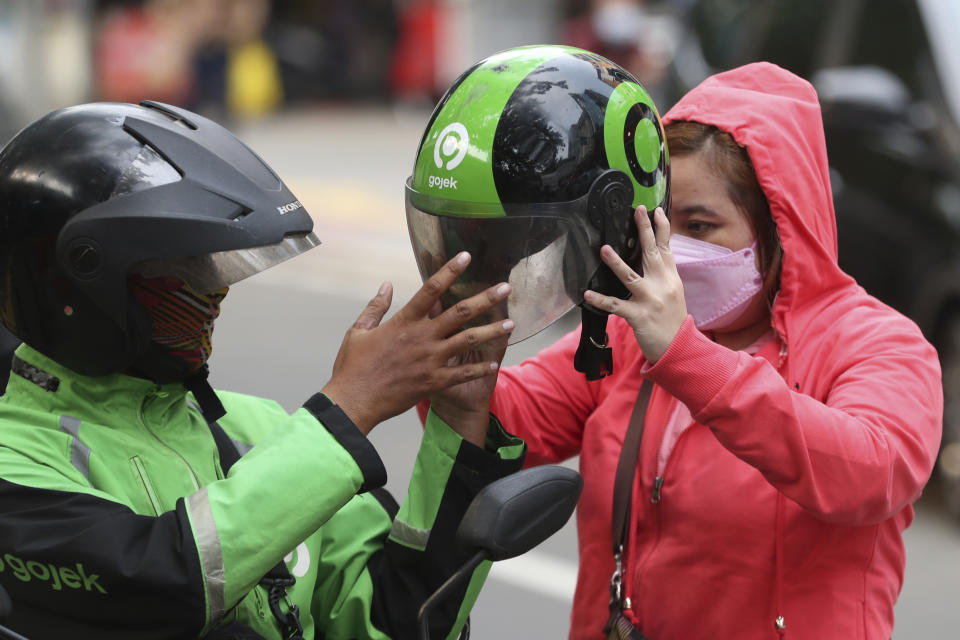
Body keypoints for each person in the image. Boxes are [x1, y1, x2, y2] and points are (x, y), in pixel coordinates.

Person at [420, 62, 943, 638]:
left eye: (702, 225)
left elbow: (871, 472)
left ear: (779, 226)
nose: (674, 251)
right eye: (662, 223)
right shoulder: (629, 330)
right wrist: (458, 361)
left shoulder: (878, 343)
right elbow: (512, 423)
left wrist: (688, 359)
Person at [0, 101, 524, 640]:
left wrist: (458, 425)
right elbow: (162, 582)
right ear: (81, 281)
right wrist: (349, 407)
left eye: (214, 269)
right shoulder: (13, 462)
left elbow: (401, 619)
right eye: (186, 268)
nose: (214, 293)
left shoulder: (260, 433)